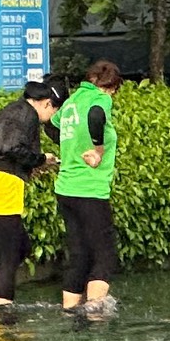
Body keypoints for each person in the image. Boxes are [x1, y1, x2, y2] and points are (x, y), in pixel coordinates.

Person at [0, 80, 60, 319]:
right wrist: (40, 159)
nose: (51, 118)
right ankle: (2, 313)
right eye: (54, 111)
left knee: (20, 247)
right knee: (9, 255)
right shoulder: (26, 116)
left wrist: (34, 164)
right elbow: (13, 148)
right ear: (47, 104)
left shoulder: (14, 110)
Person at [55, 60, 123, 317]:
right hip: (90, 189)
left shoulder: (72, 102)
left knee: (79, 253)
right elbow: (96, 115)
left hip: (66, 188)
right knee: (104, 254)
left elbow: (53, 123)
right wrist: (98, 149)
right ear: (111, 86)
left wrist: (69, 151)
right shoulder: (99, 98)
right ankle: (95, 315)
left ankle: (69, 311)